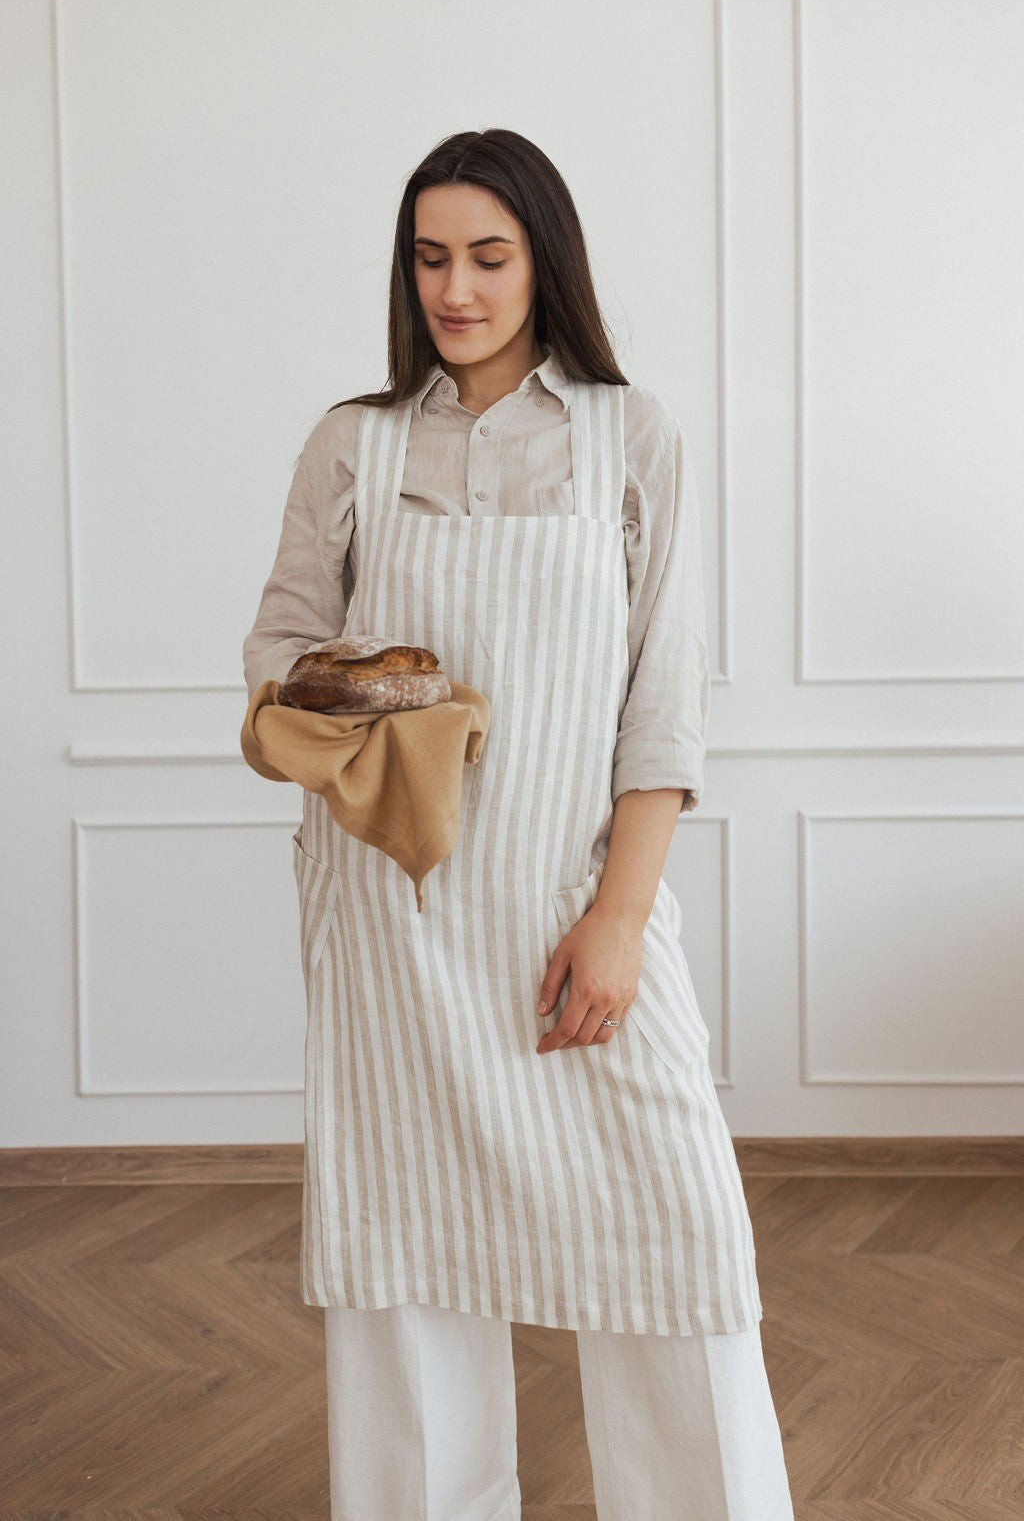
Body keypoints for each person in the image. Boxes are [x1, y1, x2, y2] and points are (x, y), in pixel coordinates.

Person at [242, 128, 795, 1520]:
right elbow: (277, 658)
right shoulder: (353, 447)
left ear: (546, 262)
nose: (457, 289)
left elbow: (666, 707)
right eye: (431, 258)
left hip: (572, 913)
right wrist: (375, 707)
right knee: (405, 1272)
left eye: (488, 257)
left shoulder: (630, 436)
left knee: (673, 1245)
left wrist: (617, 923)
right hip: (394, 926)